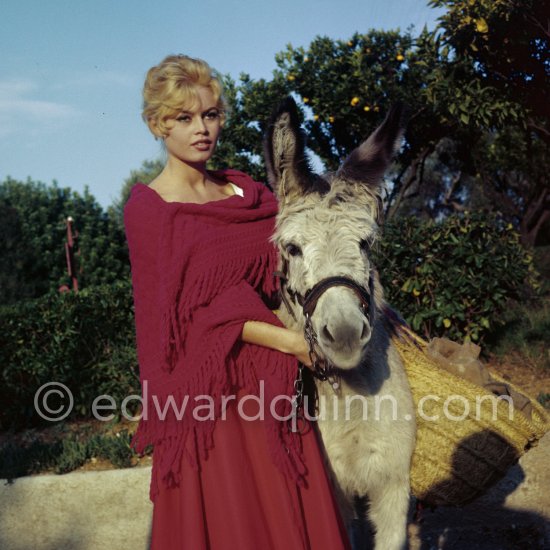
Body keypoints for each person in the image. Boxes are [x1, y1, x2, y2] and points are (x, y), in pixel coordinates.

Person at [124, 54, 351, 549]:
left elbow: (291, 268)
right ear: (158, 124)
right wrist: (291, 343)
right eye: (183, 118)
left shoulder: (247, 194)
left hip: (273, 381)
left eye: (210, 114)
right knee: (235, 520)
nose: (201, 129)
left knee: (293, 515)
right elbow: (190, 315)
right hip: (212, 394)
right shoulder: (150, 211)